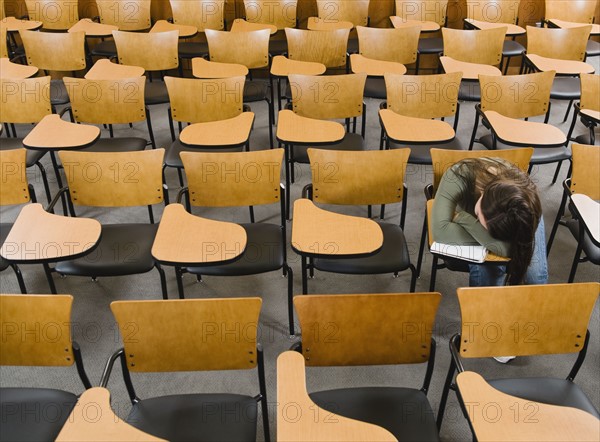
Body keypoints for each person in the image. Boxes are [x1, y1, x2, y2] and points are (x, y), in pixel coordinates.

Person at [431, 157, 549, 287]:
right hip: (471, 209)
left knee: (535, 278)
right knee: (488, 273)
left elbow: (508, 249)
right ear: (483, 195)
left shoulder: (527, 197)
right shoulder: (457, 176)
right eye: (485, 227)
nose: (484, 230)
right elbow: (440, 231)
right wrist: (466, 219)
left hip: (520, 214)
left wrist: (467, 223)